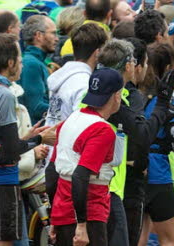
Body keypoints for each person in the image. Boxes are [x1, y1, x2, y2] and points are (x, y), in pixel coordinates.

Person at [0, 33, 57, 246]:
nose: (21, 65)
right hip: (1, 180)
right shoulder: (4, 94)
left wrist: (27, 137)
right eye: (19, 61)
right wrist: (40, 140)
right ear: (10, 63)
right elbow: (10, 151)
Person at [50, 68, 125, 246]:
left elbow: (51, 174)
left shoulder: (69, 121)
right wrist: (82, 225)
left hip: (62, 213)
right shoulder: (102, 129)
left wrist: (55, 216)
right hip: (88, 217)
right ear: (116, 96)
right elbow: (80, 176)